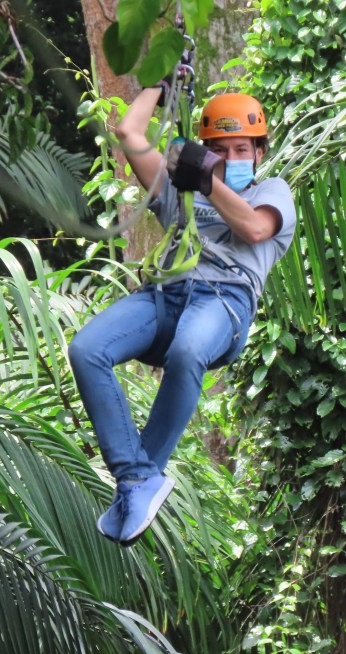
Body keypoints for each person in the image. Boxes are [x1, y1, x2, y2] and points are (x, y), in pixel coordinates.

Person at [68, 85, 296, 546]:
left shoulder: (272, 192)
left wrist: (208, 179)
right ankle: (136, 478)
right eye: (217, 150)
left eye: (239, 150)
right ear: (203, 151)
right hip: (165, 296)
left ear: (258, 152)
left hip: (223, 302)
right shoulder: (180, 190)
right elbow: (129, 132)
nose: (228, 158)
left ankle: (143, 475)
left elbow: (254, 228)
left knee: (188, 350)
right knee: (87, 349)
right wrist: (159, 81)